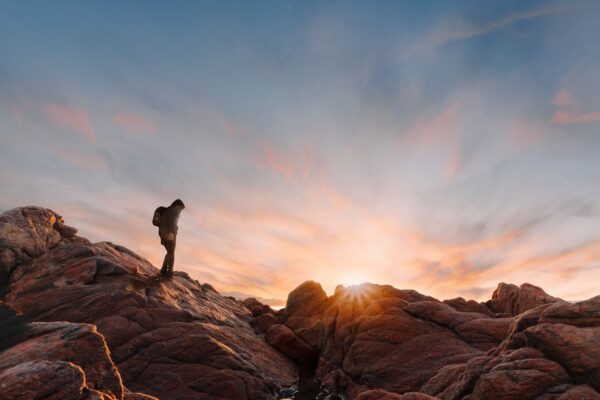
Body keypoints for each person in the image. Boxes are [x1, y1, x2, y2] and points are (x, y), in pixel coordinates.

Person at [152, 199, 185, 278]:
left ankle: (164, 270)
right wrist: (168, 230)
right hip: (168, 233)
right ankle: (168, 272)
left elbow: (157, 222)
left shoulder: (168, 211)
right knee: (171, 252)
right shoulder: (166, 211)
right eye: (179, 209)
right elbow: (156, 222)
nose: (180, 211)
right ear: (175, 206)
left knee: (170, 252)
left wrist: (173, 231)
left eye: (181, 210)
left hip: (169, 233)